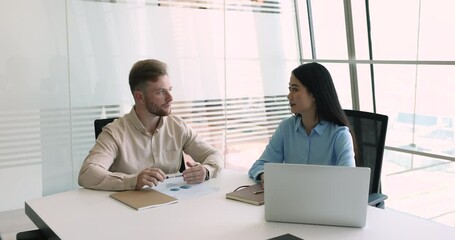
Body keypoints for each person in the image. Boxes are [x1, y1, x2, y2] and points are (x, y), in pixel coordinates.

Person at [79, 59, 223, 191]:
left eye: (170, 90)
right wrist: (133, 181)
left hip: (174, 206)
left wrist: (206, 171)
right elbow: (87, 173)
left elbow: (213, 155)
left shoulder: (177, 126)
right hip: (130, 212)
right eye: (161, 92)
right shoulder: (114, 133)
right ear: (139, 97)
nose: (170, 98)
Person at [248, 62, 356, 186]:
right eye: (290, 89)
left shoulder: (339, 135)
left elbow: (348, 181)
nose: (289, 96)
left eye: (295, 89)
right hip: (291, 200)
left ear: (315, 94)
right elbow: (259, 165)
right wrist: (264, 175)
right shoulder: (286, 128)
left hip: (324, 202)